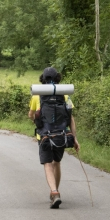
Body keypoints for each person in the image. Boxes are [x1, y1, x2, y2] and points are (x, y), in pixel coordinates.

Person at [28, 67, 80, 209]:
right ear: (58, 78)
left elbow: (31, 115)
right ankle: (55, 192)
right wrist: (74, 138)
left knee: (47, 164)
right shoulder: (64, 95)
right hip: (62, 135)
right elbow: (70, 118)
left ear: (42, 79)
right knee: (56, 162)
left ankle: (54, 192)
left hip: (44, 135)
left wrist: (36, 119)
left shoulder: (37, 95)